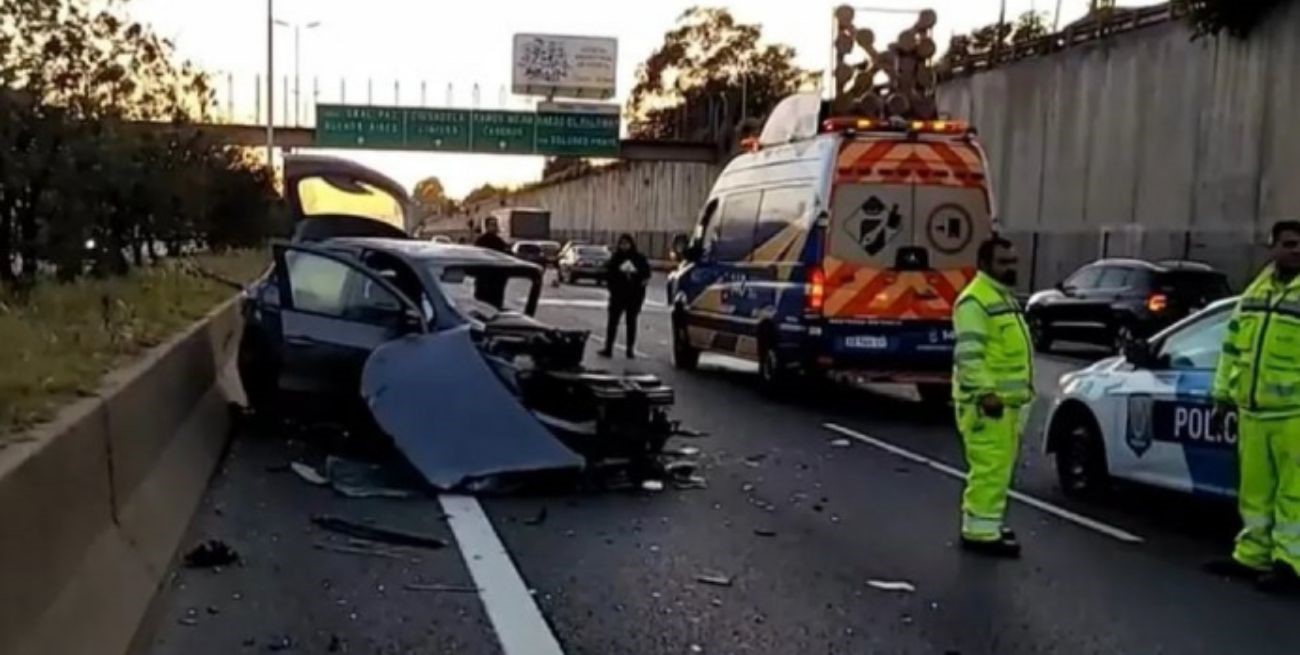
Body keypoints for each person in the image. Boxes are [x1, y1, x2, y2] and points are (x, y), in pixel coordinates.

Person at [1208, 220, 1300, 593]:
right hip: (1253, 412)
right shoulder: (1256, 291)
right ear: (1273, 247)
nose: (1297, 250)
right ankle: (1252, 555)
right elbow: (1231, 347)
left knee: (1294, 495)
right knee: (1255, 493)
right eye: (1290, 244)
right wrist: (1220, 396)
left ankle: (1291, 564)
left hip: (1295, 414)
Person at [951, 236, 1034, 558]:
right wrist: (986, 392)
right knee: (989, 469)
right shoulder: (974, 301)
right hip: (989, 405)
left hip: (1007, 404)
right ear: (985, 264)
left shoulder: (1001, 297)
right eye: (1004, 262)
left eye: (1013, 261)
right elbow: (970, 355)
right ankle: (979, 533)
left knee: (998, 469)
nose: (1011, 267)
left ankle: (989, 523)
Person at [600, 234, 651, 359]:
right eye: (622, 244)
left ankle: (630, 349)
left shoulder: (639, 258)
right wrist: (612, 287)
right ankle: (608, 348)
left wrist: (638, 282)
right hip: (617, 295)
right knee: (612, 322)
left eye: (626, 243)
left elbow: (646, 275)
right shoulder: (616, 258)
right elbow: (608, 274)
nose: (624, 246)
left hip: (633, 296)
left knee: (631, 323)